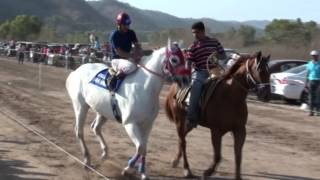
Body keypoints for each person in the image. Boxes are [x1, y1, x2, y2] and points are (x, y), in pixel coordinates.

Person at [185, 21, 226, 130]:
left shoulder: (214, 42)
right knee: (195, 88)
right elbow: (188, 62)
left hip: (215, 70)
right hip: (201, 72)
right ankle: (191, 118)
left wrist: (218, 54)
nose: (195, 35)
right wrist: (187, 73)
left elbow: (223, 56)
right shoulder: (192, 47)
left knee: (230, 85)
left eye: (197, 32)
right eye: (193, 33)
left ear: (203, 31)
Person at [106, 12, 142, 89]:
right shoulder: (115, 35)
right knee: (132, 66)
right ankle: (113, 77)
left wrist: (138, 53)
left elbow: (137, 45)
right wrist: (133, 55)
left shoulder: (131, 33)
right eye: (125, 25)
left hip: (128, 58)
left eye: (128, 25)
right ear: (119, 24)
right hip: (117, 59)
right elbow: (119, 52)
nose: (127, 26)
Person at [306, 50, 320, 116]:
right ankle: (311, 111)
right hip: (311, 81)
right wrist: (306, 83)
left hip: (318, 82)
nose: (314, 57)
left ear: (318, 56)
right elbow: (307, 73)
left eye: (315, 56)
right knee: (310, 97)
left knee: (318, 97)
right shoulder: (309, 63)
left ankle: (318, 111)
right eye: (313, 56)